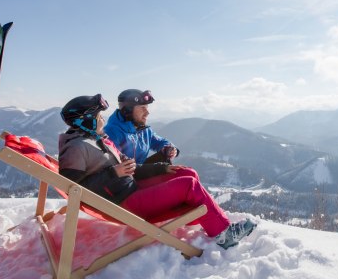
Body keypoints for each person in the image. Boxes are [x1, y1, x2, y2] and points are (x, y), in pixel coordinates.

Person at [57, 93, 256, 249]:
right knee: (188, 185)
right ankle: (224, 235)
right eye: (98, 116)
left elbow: (129, 168)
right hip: (124, 203)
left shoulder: (96, 139)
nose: (102, 119)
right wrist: (113, 173)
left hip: (129, 188)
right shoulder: (76, 148)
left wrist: (163, 167)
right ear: (86, 120)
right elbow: (74, 190)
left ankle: (210, 219)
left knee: (186, 173)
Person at [103, 89, 178, 165]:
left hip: (139, 171)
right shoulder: (111, 132)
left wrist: (170, 149)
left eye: (147, 108)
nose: (147, 113)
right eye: (143, 108)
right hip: (125, 174)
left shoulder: (143, 129)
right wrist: (158, 168)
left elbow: (160, 142)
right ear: (128, 110)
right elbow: (120, 167)